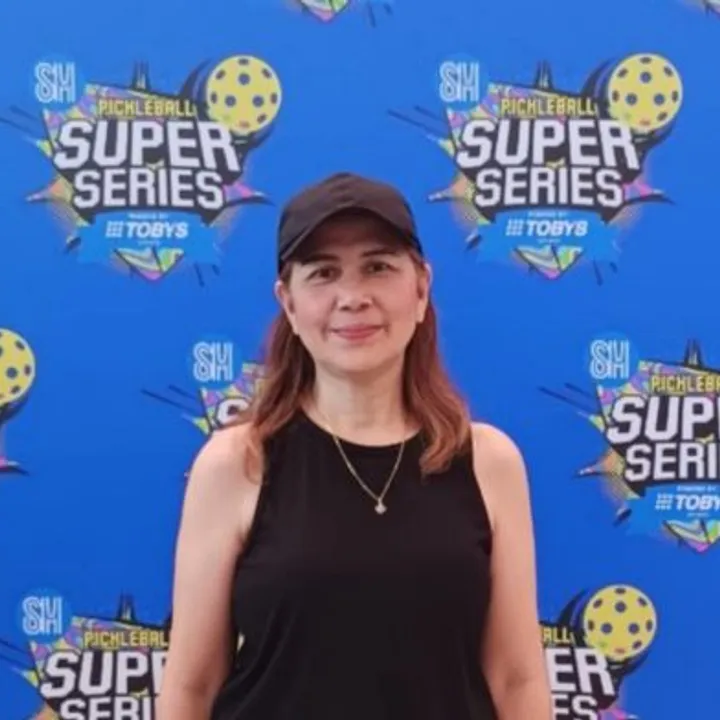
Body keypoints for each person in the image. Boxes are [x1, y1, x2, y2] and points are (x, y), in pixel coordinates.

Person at [156, 172, 553, 720]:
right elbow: (191, 687)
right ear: (288, 303)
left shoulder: (489, 462)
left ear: (421, 288)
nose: (352, 298)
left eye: (378, 267)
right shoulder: (236, 463)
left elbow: (517, 679)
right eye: (323, 273)